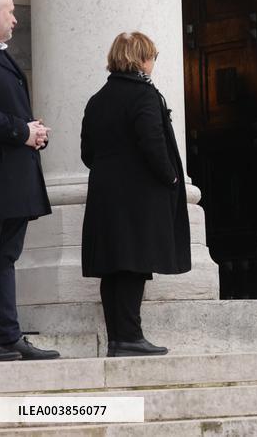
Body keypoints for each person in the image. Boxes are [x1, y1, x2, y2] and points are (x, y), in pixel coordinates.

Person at [81, 32, 191, 357]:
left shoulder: (97, 99)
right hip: (139, 196)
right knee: (132, 264)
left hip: (104, 194)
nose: (154, 64)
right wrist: (170, 176)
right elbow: (152, 142)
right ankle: (130, 337)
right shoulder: (144, 95)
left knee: (113, 264)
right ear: (141, 59)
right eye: (152, 57)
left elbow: (87, 153)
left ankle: (118, 338)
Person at [0, 0, 58, 361]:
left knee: (5, 257)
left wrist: (33, 131)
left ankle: (9, 335)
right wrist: (21, 130)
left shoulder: (2, 57)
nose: (15, 18)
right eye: (10, 11)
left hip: (11, 178)